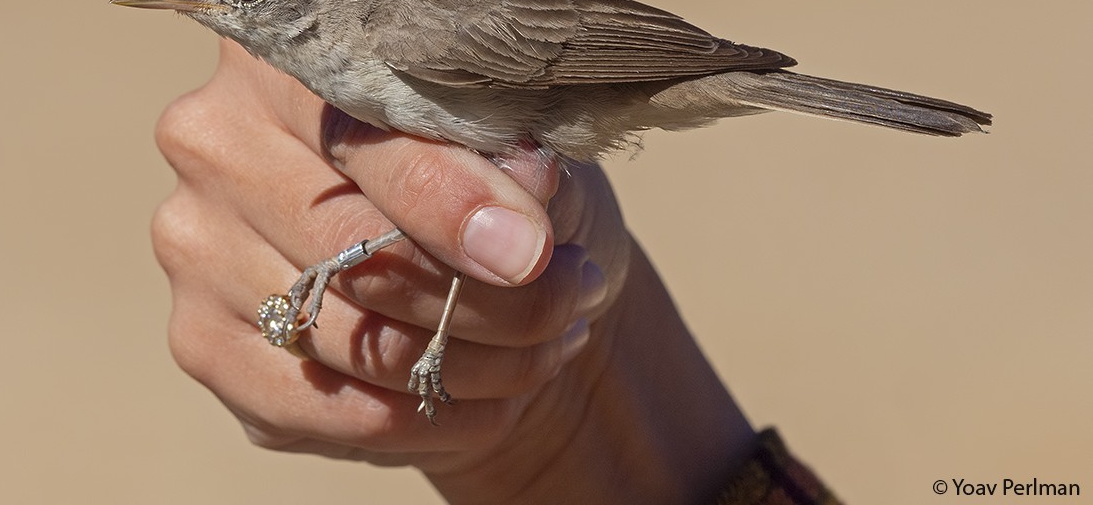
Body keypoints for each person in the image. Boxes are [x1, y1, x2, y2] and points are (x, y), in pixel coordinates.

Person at [150, 39, 840, 504]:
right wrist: (560, 414)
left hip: (607, 78)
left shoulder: (398, 26)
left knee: (466, 202)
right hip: (559, 395)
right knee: (454, 205)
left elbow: (564, 42)